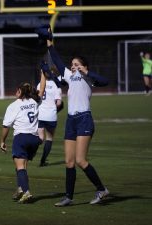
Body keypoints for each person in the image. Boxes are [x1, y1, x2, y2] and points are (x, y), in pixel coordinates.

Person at [35, 25, 110, 206]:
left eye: (78, 64)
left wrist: (86, 72)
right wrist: (49, 41)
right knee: (69, 161)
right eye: (73, 64)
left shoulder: (88, 77)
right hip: (71, 121)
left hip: (84, 118)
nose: (74, 66)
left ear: (85, 66)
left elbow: (105, 81)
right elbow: (58, 62)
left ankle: (102, 190)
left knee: (80, 160)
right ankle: (68, 197)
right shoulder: (69, 76)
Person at [0, 71, 47, 204]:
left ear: (20, 91)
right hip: (34, 140)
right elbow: (42, 88)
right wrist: (43, 75)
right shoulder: (35, 101)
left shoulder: (13, 106)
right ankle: (21, 188)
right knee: (22, 166)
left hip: (21, 138)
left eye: (17, 90)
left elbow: (6, 126)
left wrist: (2, 141)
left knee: (20, 167)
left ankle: (26, 192)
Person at [37, 62, 63, 167]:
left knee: (40, 138)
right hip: (51, 116)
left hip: (40, 115)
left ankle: (29, 151)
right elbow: (59, 103)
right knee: (49, 138)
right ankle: (43, 161)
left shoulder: (40, 84)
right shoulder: (57, 85)